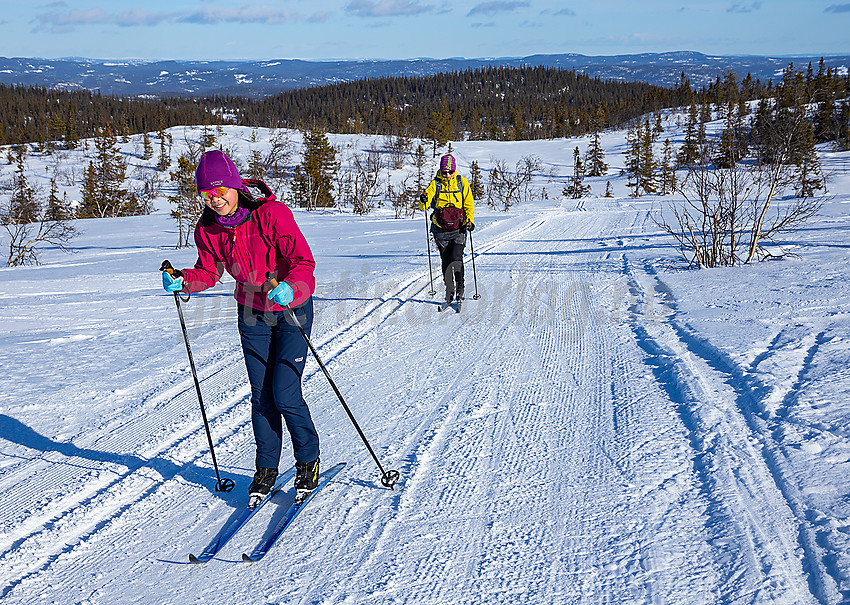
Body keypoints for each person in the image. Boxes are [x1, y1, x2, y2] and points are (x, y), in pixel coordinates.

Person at [161, 150, 320, 506]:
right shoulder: (208, 229)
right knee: (261, 395)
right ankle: (266, 469)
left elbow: (303, 262)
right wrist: (183, 279)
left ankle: (308, 460)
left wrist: (292, 287)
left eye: (220, 191)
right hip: (251, 313)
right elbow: (209, 272)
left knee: (285, 391)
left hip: (290, 307)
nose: (214, 200)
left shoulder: (272, 215)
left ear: (236, 186)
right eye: (206, 194)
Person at [420, 154, 475, 304]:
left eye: (450, 172)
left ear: (454, 170)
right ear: (441, 170)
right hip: (440, 230)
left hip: (459, 228)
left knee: (456, 258)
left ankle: (460, 289)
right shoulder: (435, 184)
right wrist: (423, 200)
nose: (448, 175)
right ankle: (449, 289)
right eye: (445, 172)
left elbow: (469, 204)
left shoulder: (462, 183)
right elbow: (424, 205)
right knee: (446, 260)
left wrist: (470, 221)